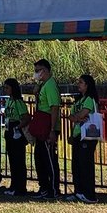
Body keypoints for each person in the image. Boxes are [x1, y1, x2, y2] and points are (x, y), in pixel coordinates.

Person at [30, 58, 61, 199]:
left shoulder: (50, 85)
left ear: (45, 71)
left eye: (38, 71)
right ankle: (44, 187)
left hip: (48, 126)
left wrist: (52, 130)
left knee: (49, 159)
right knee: (40, 158)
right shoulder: (43, 85)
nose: (36, 74)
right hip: (41, 126)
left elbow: (54, 107)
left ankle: (53, 190)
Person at [68, 73, 100, 204]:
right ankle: (78, 192)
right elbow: (72, 117)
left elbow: (81, 114)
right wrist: (76, 117)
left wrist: (77, 117)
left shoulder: (89, 99)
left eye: (81, 82)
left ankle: (89, 194)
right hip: (77, 135)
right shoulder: (79, 100)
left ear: (87, 85)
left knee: (85, 165)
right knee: (76, 165)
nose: (78, 84)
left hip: (87, 136)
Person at [0, 77, 30, 197]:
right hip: (9, 130)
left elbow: (26, 117)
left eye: (7, 87)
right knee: (12, 160)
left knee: (19, 161)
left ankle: (20, 187)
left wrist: (18, 127)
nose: (5, 90)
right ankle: (14, 185)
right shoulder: (9, 101)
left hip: (16, 131)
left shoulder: (18, 102)